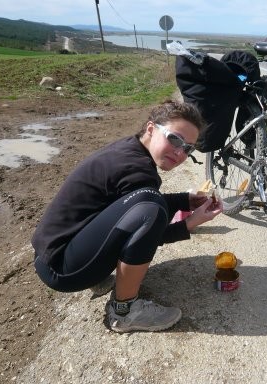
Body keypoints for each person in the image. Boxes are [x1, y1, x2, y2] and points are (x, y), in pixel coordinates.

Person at [31, 100, 222, 333]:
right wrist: (191, 222)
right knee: (150, 207)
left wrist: (185, 200)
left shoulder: (130, 150)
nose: (180, 152)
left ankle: (98, 278)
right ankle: (124, 311)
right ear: (151, 129)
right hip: (63, 270)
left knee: (148, 202)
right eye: (174, 139)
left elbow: (126, 208)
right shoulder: (137, 170)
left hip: (50, 254)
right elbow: (149, 228)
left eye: (188, 148)